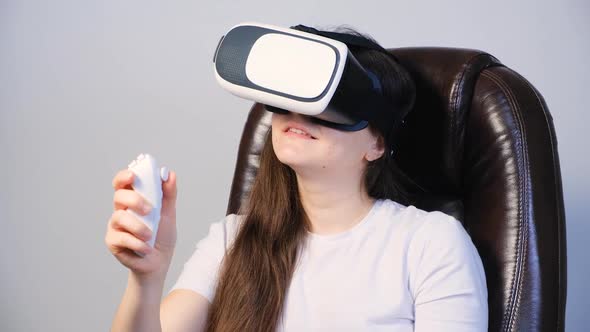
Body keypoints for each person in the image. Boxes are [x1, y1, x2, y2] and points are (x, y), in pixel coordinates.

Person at [105, 26, 488, 332]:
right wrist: (147, 279)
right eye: (292, 98)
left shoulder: (429, 244)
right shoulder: (232, 240)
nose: (300, 114)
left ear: (377, 143)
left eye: (327, 104)